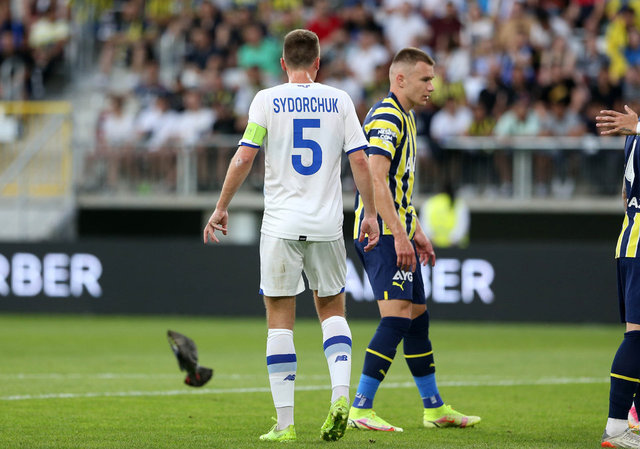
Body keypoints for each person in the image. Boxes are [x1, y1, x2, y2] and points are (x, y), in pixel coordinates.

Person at [203, 29, 379, 443]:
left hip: (280, 224)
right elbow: (360, 161)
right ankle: (341, 396)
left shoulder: (266, 100)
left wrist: (222, 206)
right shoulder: (340, 100)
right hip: (327, 225)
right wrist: (370, 214)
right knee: (333, 310)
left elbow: (244, 156)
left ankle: (285, 425)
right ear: (318, 63)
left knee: (279, 320)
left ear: (282, 63)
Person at [348, 47, 480, 432]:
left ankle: (434, 408)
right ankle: (361, 407)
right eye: (425, 79)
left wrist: (416, 230)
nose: (432, 87)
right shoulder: (388, 116)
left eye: (432, 79)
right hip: (382, 233)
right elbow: (375, 179)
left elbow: (397, 186)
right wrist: (400, 235)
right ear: (400, 79)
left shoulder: (406, 116)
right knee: (397, 318)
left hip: (398, 230)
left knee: (417, 319)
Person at [595, 105, 640, 448]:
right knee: (637, 336)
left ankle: (634, 416)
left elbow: (625, 196)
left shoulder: (633, 136)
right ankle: (616, 427)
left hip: (630, 237)